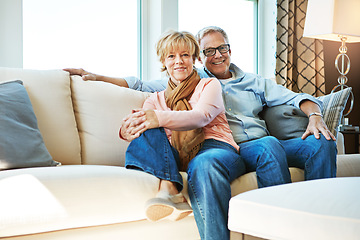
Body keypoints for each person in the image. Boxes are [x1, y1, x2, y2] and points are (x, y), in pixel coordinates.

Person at [64, 26, 337, 239]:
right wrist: (98, 78)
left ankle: (321, 224)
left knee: (318, 143)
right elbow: (138, 84)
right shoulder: (183, 82)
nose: (217, 54)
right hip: (228, 148)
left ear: (229, 49)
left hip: (247, 144)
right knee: (202, 153)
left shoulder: (243, 82)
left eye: (222, 48)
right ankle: (167, 186)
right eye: (209, 51)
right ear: (201, 57)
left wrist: (314, 115)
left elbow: (294, 97)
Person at [118, 30, 245, 240]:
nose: (179, 61)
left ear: (194, 58)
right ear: (163, 61)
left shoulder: (209, 85)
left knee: (203, 164)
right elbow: (140, 129)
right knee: (146, 130)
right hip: (174, 158)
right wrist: (127, 129)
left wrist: (156, 118)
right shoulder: (155, 99)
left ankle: (168, 187)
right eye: (172, 56)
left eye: (185, 55)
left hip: (215, 148)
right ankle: (169, 187)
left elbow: (201, 116)